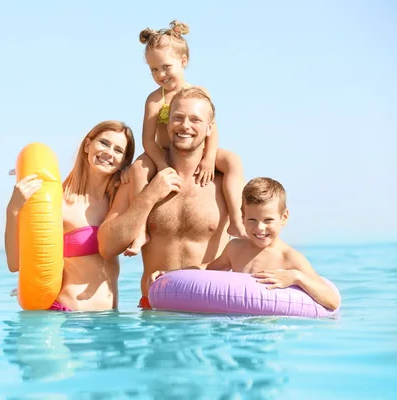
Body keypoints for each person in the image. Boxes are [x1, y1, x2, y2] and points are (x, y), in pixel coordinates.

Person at [98, 87, 231, 309]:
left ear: (209, 128)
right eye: (177, 118)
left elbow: (254, 242)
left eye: (195, 119)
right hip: (155, 313)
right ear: (167, 124)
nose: (185, 126)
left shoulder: (225, 181)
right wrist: (149, 197)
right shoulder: (143, 178)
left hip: (211, 314)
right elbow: (106, 247)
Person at [123, 20, 247, 257]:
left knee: (231, 160)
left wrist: (209, 158)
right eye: (154, 70)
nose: (160, 74)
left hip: (197, 151)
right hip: (164, 153)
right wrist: (161, 164)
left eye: (166, 67)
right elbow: (148, 139)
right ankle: (140, 231)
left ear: (183, 61)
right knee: (139, 167)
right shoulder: (154, 100)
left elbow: (213, 128)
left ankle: (236, 219)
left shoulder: (200, 93)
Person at [150, 177, 341, 311]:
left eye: (268, 220)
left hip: (271, 332)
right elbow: (208, 268)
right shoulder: (235, 248)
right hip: (238, 325)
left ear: (284, 218)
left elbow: (331, 301)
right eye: (251, 220)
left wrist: (297, 278)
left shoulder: (289, 258)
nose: (259, 228)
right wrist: (171, 274)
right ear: (242, 217)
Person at [5, 121, 135, 311]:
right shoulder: (59, 203)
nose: (109, 153)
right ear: (88, 145)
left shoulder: (118, 202)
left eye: (118, 150)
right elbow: (15, 264)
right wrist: (14, 209)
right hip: (70, 320)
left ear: (123, 162)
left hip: (110, 324)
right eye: (104, 143)